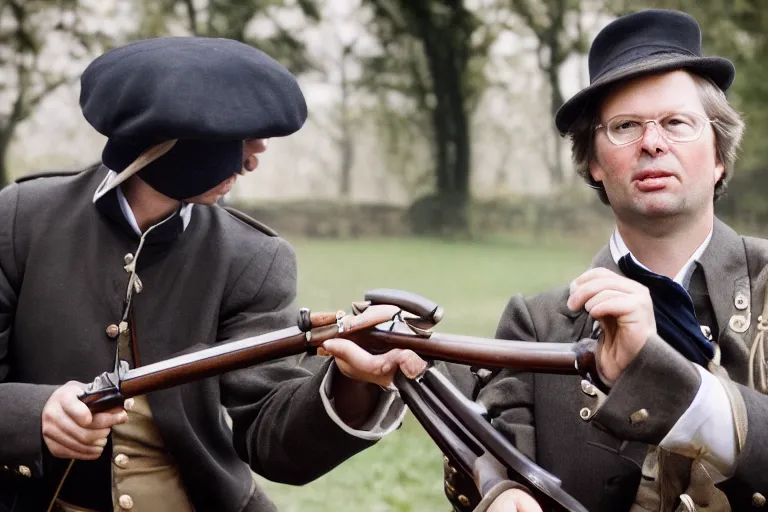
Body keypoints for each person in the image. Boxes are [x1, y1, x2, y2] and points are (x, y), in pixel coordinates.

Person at [0, 37, 423, 512]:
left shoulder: (255, 257)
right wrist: (33, 414)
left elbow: (270, 436)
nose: (254, 156)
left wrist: (351, 382)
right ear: (164, 138)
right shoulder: (20, 219)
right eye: (239, 133)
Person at [443, 8, 768, 512]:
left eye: (677, 123)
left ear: (720, 151)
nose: (652, 143)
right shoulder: (536, 327)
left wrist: (663, 378)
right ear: (593, 161)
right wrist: (500, 493)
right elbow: (497, 470)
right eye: (625, 126)